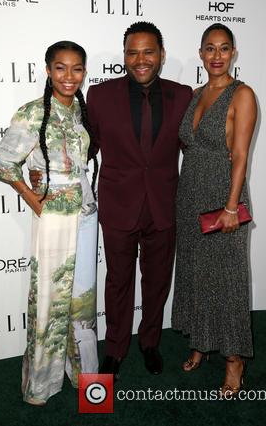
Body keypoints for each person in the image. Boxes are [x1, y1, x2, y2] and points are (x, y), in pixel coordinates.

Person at [0, 41, 98, 405]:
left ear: (84, 72)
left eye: (77, 68)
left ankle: (88, 384)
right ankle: (41, 385)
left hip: (86, 214)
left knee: (82, 302)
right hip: (53, 218)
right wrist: (31, 197)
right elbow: (3, 163)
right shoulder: (32, 112)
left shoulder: (82, 113)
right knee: (51, 302)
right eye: (60, 68)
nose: (69, 76)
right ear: (48, 70)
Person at [86, 21, 192, 378]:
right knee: (118, 281)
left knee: (158, 279)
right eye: (133, 52)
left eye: (148, 51)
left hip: (164, 205)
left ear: (161, 55)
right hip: (118, 206)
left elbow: (192, 148)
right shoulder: (99, 96)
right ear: (125, 57)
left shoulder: (183, 95)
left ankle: (149, 342)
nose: (140, 59)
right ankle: (115, 348)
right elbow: (87, 147)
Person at [172, 23, 257, 398]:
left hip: (223, 198)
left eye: (224, 48)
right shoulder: (194, 94)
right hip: (189, 194)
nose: (217, 56)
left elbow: (240, 156)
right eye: (210, 48)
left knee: (228, 281)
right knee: (195, 273)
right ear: (201, 53)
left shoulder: (243, 95)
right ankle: (201, 343)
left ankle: (234, 360)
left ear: (233, 53)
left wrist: (231, 207)